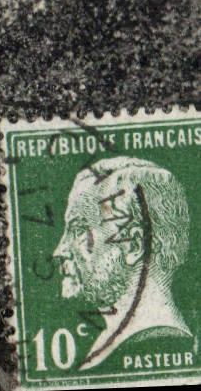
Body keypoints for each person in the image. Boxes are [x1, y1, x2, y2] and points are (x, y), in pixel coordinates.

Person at [53, 155, 196, 374]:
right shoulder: (111, 349)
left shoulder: (146, 347)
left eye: (79, 230)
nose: (60, 251)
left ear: (134, 245)